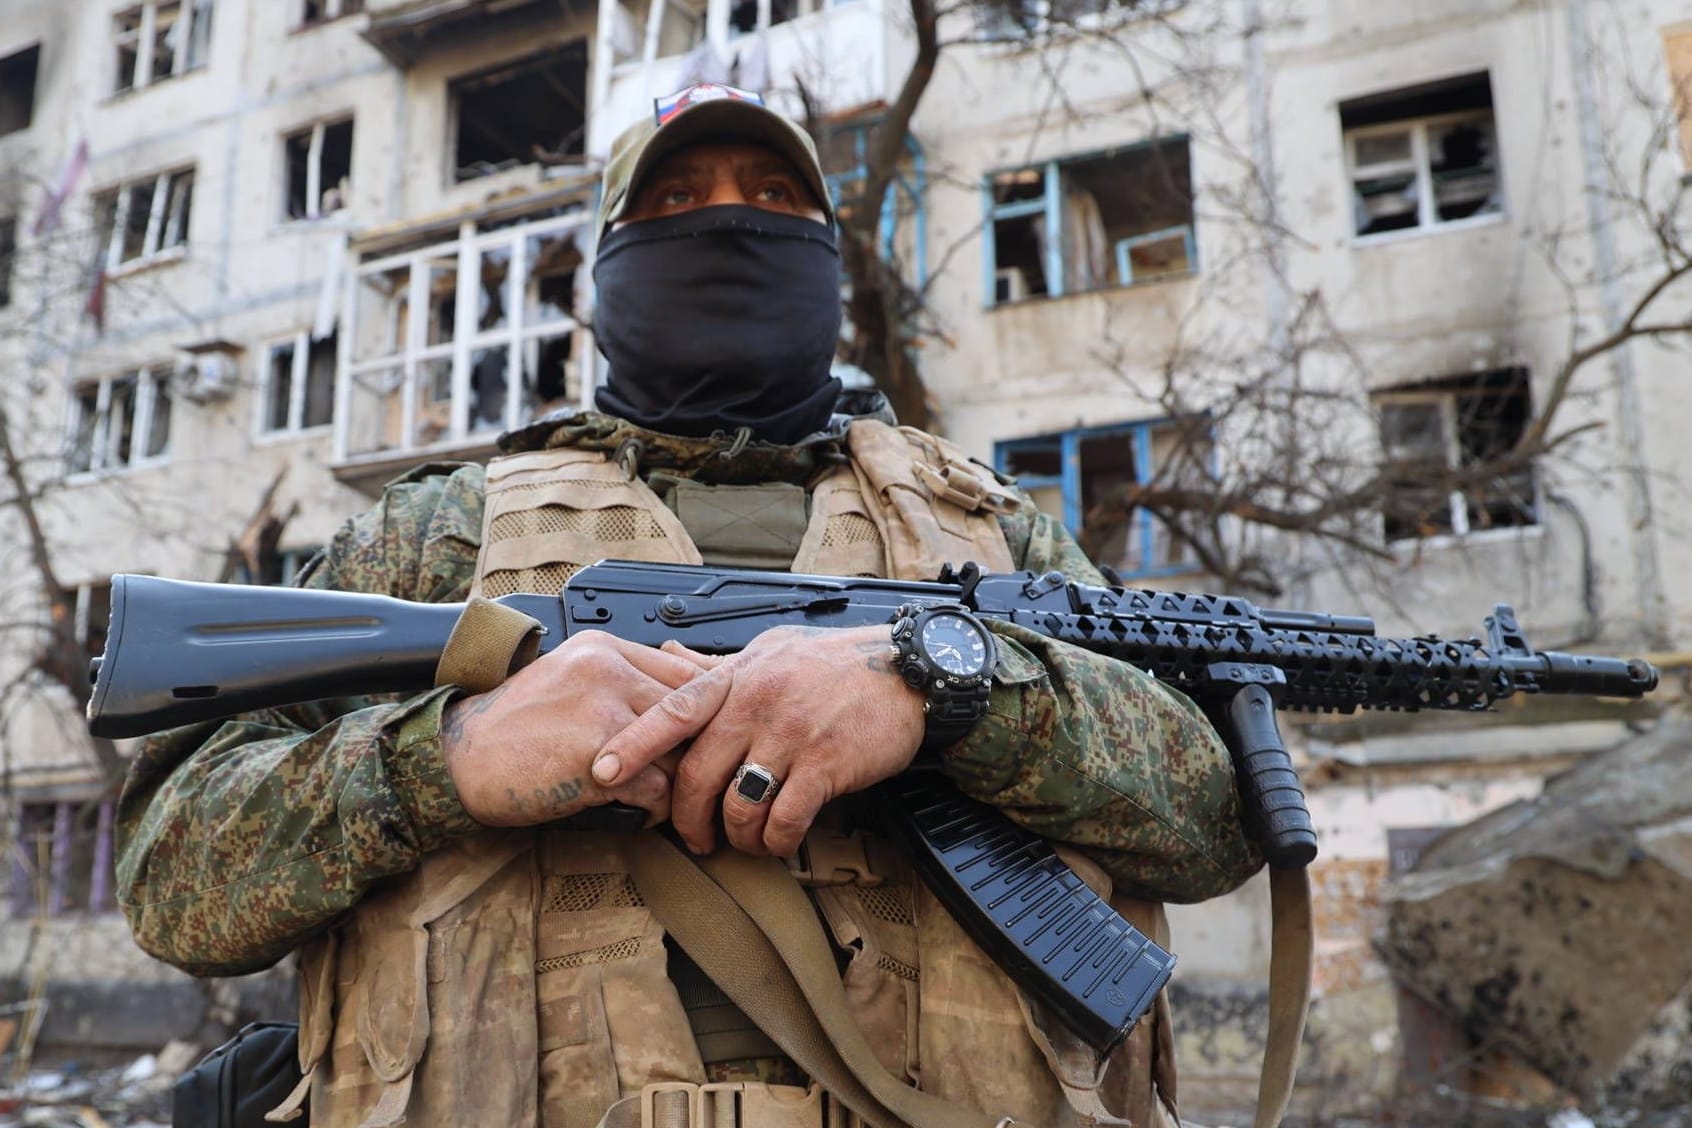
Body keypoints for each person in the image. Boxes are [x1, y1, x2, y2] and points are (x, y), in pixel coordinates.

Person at [115, 83, 1262, 1128]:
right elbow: (173, 882)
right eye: (676, 201)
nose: (730, 223)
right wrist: (444, 762)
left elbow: (1216, 819)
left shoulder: (987, 528)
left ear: (827, 259)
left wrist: (945, 691)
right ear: (609, 272)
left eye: (773, 199)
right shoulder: (434, 534)